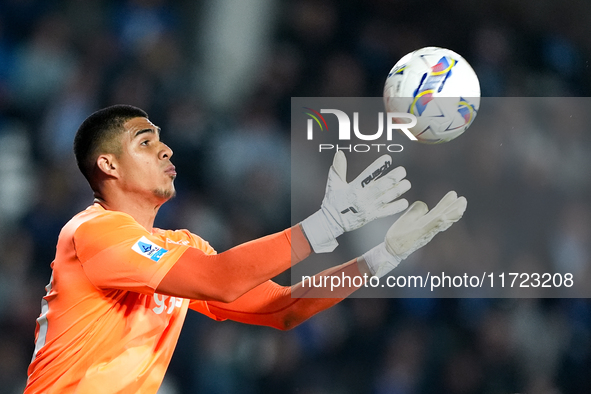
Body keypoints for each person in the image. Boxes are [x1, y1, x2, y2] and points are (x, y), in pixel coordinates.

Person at [24, 104, 466, 393]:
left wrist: (380, 258)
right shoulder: (93, 232)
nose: (166, 148)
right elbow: (220, 281)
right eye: (145, 142)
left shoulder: (181, 247)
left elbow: (280, 309)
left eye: (160, 138)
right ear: (108, 164)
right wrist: (326, 223)